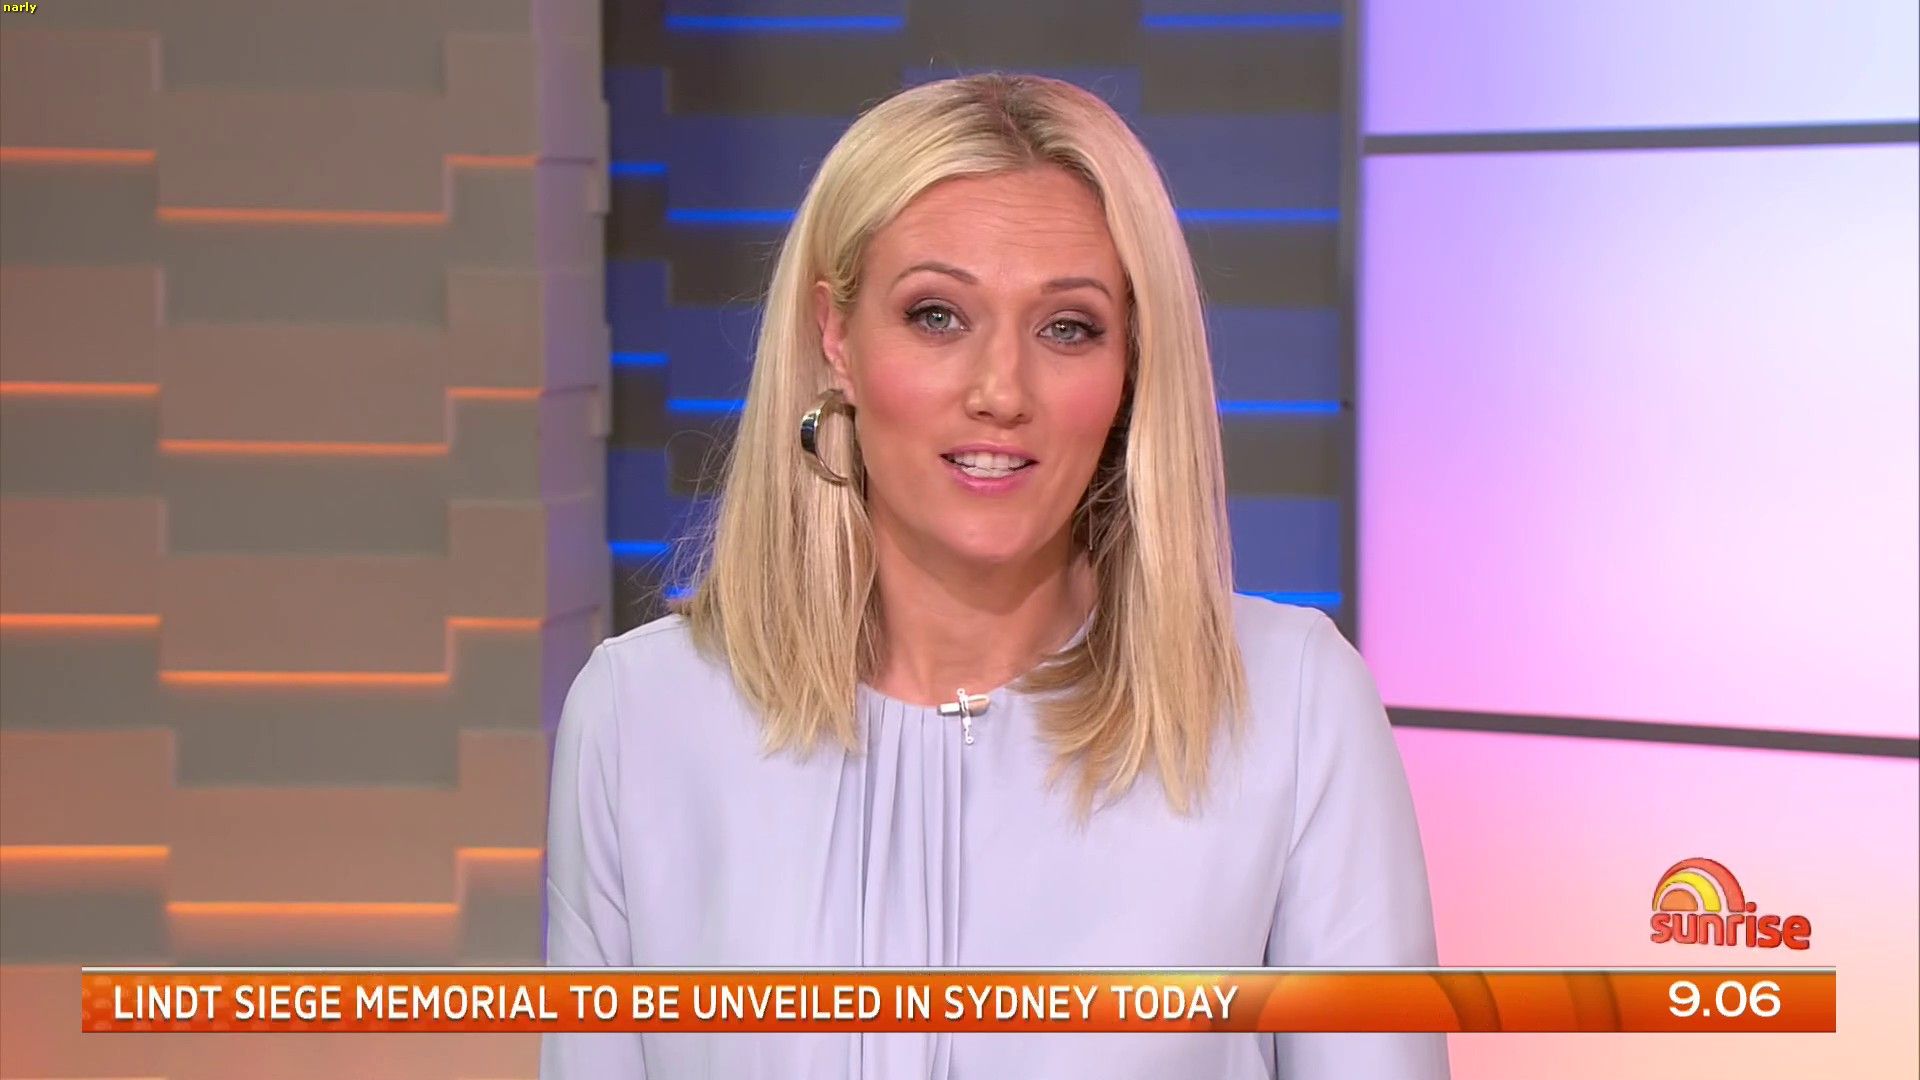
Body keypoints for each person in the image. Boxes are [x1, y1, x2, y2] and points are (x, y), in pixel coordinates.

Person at [542, 72, 1447, 1079]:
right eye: (937, 315)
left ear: (1131, 364)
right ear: (836, 336)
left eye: (1068, 327)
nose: (1001, 391)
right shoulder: (638, 718)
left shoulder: (1292, 710)